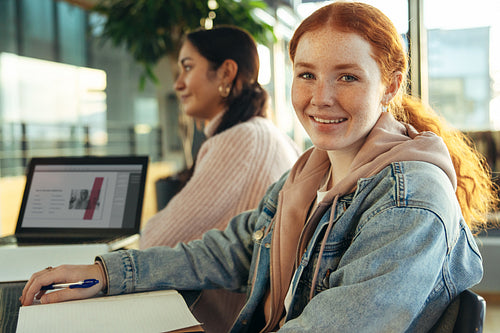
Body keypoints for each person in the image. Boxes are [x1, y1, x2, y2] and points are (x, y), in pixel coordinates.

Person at [21, 2, 498, 332]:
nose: (321, 98)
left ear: (391, 86)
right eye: (307, 75)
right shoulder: (311, 173)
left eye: (348, 77)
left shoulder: (409, 201)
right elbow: (228, 250)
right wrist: (106, 273)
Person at [140, 26, 300, 248]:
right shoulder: (265, 132)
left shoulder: (240, 140)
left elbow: (155, 242)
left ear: (226, 73)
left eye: (187, 67)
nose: (178, 84)